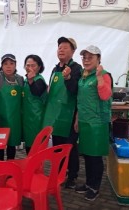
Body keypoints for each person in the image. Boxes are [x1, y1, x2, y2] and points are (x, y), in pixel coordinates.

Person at [42, 37, 82, 188]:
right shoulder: (54, 69)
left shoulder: (77, 68)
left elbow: (75, 91)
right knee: (57, 147)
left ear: (73, 51)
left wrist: (69, 77)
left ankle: (72, 176)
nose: (61, 49)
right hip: (56, 115)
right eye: (59, 47)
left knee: (70, 147)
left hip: (70, 115)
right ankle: (60, 172)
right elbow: (51, 91)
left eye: (65, 47)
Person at [75, 45, 112, 201]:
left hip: (97, 123)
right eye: (84, 57)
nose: (86, 59)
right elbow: (80, 100)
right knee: (88, 156)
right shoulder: (84, 75)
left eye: (91, 57)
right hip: (84, 122)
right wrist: (77, 119)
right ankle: (89, 183)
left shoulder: (104, 75)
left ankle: (95, 187)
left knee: (96, 157)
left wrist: (98, 78)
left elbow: (105, 96)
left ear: (99, 59)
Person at [0, 53, 24, 160]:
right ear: (1, 66)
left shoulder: (20, 79)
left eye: (11, 63)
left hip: (14, 118)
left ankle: (10, 165)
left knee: (12, 144)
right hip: (0, 119)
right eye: (5, 64)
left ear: (15, 65)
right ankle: (0, 167)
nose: (9, 66)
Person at [22, 55, 47, 154]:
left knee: (36, 145)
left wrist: (31, 81)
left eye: (33, 65)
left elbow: (37, 91)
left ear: (39, 67)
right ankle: (30, 167)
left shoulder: (39, 80)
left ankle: (37, 167)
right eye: (28, 65)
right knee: (29, 145)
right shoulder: (25, 80)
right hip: (27, 118)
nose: (30, 68)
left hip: (36, 118)